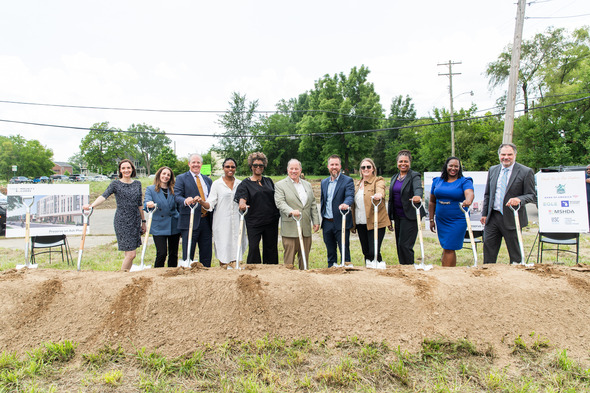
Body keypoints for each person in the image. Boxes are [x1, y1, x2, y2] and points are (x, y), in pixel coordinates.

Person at [83, 159, 145, 271]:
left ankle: (124, 275)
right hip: (122, 221)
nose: (126, 170)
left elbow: (140, 204)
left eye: (128, 168)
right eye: (123, 168)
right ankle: (121, 277)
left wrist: (143, 221)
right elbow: (104, 196)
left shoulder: (137, 184)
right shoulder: (115, 184)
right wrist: (92, 205)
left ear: (132, 169)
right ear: (120, 171)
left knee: (131, 255)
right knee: (131, 254)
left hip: (135, 220)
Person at [481, 143, 536, 264]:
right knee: (489, 249)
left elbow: (531, 195)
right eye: (503, 154)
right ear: (499, 155)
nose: (506, 157)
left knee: (515, 253)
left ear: (515, 155)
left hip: (512, 217)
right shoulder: (493, 170)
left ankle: (516, 275)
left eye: (509, 154)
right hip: (493, 217)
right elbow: (488, 194)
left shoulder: (526, 172)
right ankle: (488, 275)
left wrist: (519, 199)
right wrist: (484, 214)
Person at [198, 158, 247, 268]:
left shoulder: (241, 184)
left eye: (233, 167)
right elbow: (210, 203)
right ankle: (224, 270)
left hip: (237, 221)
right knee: (224, 249)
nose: (230, 169)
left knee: (237, 246)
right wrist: (202, 202)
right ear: (223, 168)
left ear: (235, 169)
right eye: (227, 167)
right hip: (222, 223)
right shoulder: (217, 184)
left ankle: (236, 270)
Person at [235, 152, 280, 264]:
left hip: (271, 220)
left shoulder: (268, 181)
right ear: (251, 166)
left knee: (271, 248)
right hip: (254, 221)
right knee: (254, 248)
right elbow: (242, 197)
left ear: (264, 166)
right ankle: (253, 272)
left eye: (261, 165)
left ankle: (271, 270)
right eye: (255, 165)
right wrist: (242, 204)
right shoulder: (245, 184)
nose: (258, 167)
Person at [274, 159, 320, 269]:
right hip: (290, 228)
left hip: (305, 228)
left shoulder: (307, 185)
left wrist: (316, 221)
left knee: (304, 258)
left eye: (296, 169)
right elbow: (280, 202)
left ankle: (304, 280)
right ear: (287, 170)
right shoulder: (280, 185)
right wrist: (290, 211)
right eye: (291, 168)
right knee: (289, 261)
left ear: (300, 170)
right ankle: (289, 281)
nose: (294, 171)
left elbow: (312, 203)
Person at [428, 157, 474, 267]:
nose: (453, 168)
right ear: (446, 166)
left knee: (449, 247)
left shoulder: (465, 181)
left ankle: (447, 274)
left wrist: (468, 200)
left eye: (456, 166)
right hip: (441, 219)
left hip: (457, 219)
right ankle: (448, 271)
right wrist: (431, 219)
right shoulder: (437, 181)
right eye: (451, 166)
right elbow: (431, 202)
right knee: (446, 247)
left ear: (459, 168)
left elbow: (470, 192)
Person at [174, 153, 213, 267]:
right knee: (188, 251)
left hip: (206, 220)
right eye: (193, 162)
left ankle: (206, 272)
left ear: (201, 164)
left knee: (206, 252)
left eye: (198, 162)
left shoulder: (207, 180)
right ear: (189, 164)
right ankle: (187, 273)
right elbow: (177, 196)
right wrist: (186, 200)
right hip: (189, 220)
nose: (196, 165)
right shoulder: (181, 178)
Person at [387, 150, 425, 265]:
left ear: (410, 162)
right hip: (398, 216)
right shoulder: (395, 177)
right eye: (401, 161)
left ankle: (409, 268)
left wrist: (418, 196)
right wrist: (390, 218)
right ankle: (402, 268)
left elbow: (418, 188)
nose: (403, 164)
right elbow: (391, 199)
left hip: (410, 215)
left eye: (406, 161)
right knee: (399, 244)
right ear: (397, 163)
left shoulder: (414, 176)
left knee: (405, 245)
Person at [350, 158, 390, 266]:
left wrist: (379, 195)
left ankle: (379, 269)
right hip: (361, 222)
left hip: (376, 222)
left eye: (368, 167)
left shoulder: (378, 180)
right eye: (363, 167)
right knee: (366, 251)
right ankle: (369, 272)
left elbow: (381, 189)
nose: (366, 169)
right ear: (360, 170)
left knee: (374, 251)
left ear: (373, 169)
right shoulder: (357, 184)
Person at [320, 154, 355, 267]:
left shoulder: (347, 181)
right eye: (332, 164)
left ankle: (346, 271)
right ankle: (331, 270)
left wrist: (346, 203)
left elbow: (350, 195)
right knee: (330, 251)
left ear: (340, 166)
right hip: (327, 222)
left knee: (344, 250)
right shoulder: (324, 182)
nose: (334, 167)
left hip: (341, 221)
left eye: (336, 164)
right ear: (328, 166)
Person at [144, 166, 180, 268]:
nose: (166, 176)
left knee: (173, 254)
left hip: (173, 225)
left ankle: (172, 274)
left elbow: (178, 205)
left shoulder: (174, 190)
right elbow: (146, 202)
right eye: (164, 174)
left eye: (168, 175)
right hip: (158, 225)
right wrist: (149, 204)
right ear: (159, 175)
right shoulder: (151, 189)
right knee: (162, 253)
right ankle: (157, 274)